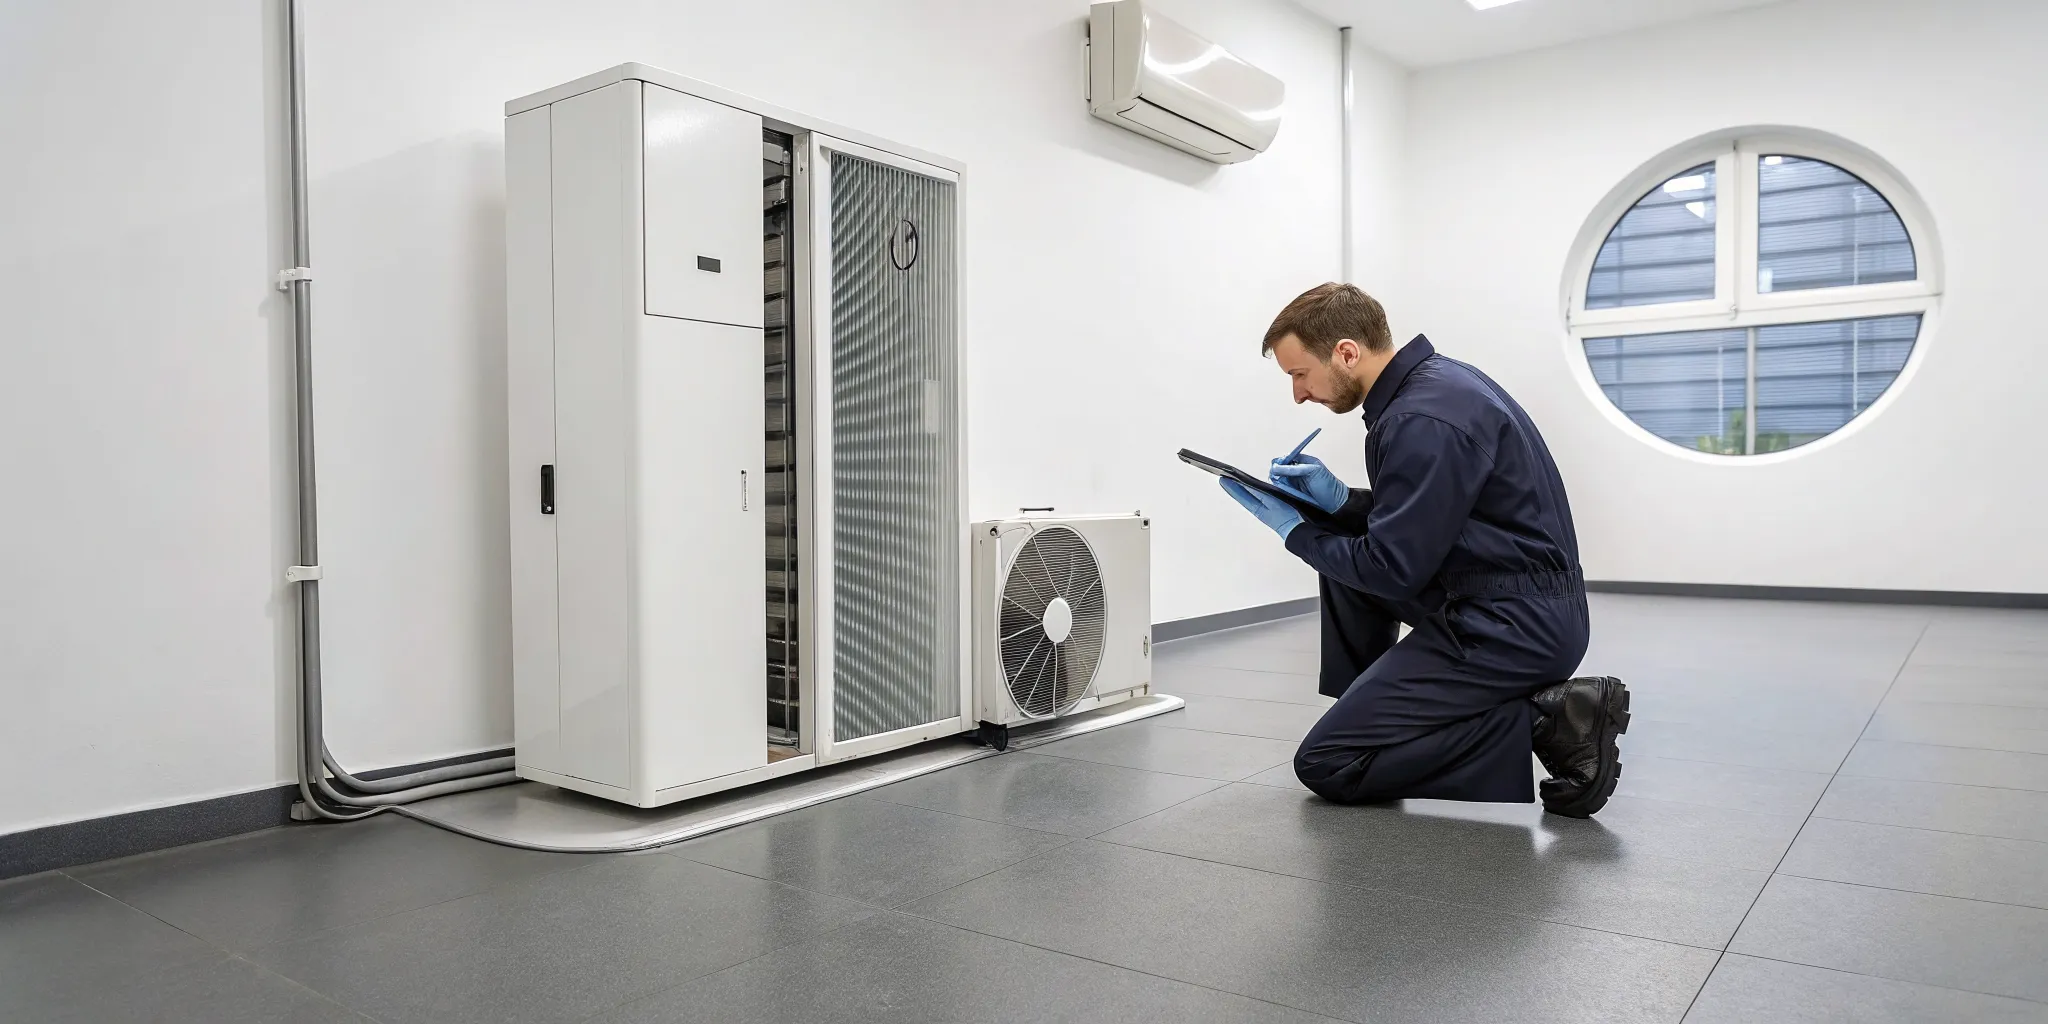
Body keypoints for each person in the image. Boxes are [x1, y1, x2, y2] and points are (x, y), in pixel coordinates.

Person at [1218, 282, 1630, 817]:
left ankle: (1549, 718)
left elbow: (1391, 570)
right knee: (1342, 548)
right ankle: (1378, 708)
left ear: (1346, 352)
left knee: (1328, 761)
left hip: (1511, 627)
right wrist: (1341, 503)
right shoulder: (1437, 386)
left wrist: (1295, 531)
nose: (1298, 394)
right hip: (1518, 601)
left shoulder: (1420, 420)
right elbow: (1430, 519)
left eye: (1300, 375)